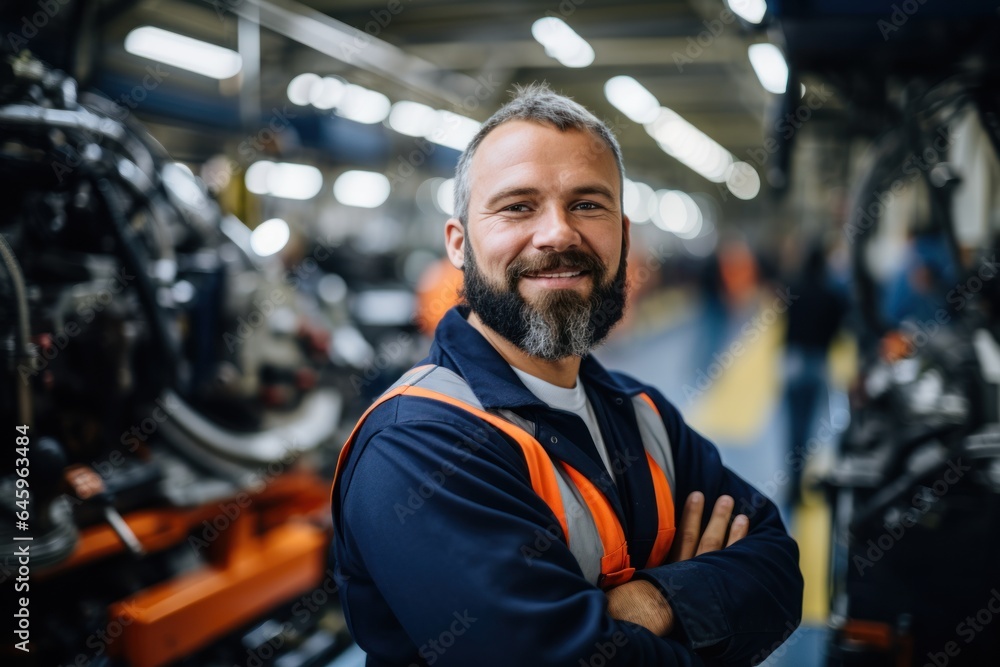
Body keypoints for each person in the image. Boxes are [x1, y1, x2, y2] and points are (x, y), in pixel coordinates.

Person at [331, 84, 803, 666]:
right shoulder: (415, 446)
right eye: (517, 206)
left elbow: (779, 571)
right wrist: (700, 599)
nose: (557, 233)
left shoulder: (642, 412)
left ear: (624, 237)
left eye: (587, 204)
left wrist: (651, 602)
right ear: (459, 245)